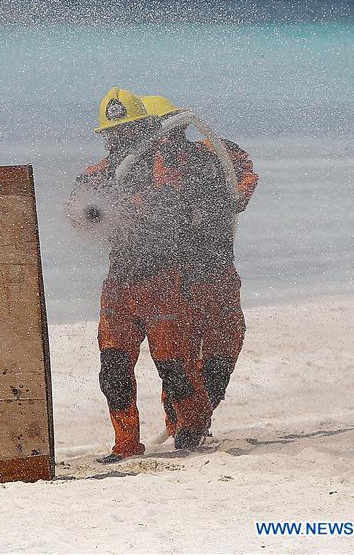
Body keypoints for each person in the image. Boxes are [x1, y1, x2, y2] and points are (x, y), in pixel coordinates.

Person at [70, 87, 214, 463]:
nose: (119, 139)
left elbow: (173, 206)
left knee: (173, 365)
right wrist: (89, 210)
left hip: (163, 279)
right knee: (113, 365)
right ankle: (125, 443)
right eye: (113, 134)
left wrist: (131, 203)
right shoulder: (99, 173)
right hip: (119, 281)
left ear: (143, 129)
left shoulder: (168, 164)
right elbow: (78, 209)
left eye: (126, 131)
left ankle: (193, 426)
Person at [138, 96, 259, 438]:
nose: (165, 138)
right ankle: (183, 428)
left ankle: (192, 423)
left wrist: (238, 195)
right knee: (181, 357)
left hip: (218, 270)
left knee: (224, 347)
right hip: (179, 278)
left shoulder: (212, 154)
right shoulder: (143, 171)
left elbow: (244, 169)